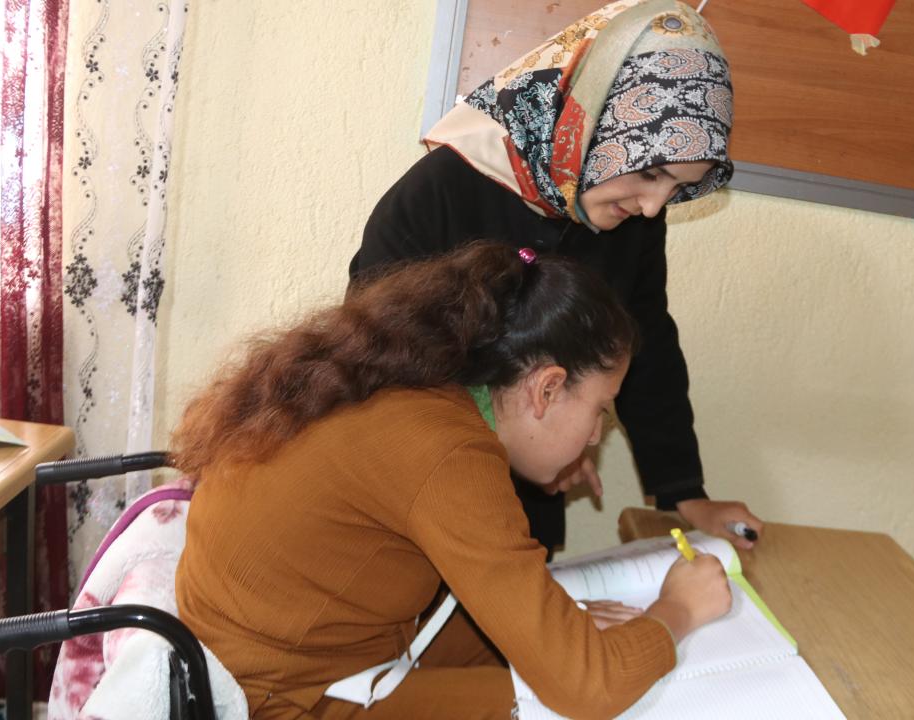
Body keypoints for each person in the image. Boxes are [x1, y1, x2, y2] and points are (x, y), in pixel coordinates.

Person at [172, 243, 732, 719]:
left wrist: (561, 631)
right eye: (600, 411)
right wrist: (677, 612)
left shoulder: (429, 387)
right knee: (569, 704)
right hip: (277, 695)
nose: (593, 438)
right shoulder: (449, 454)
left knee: (555, 656)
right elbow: (587, 688)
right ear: (546, 389)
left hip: (286, 644)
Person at [351, 0, 763, 556]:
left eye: (676, 189)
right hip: (416, 501)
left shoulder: (631, 216)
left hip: (526, 509)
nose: (651, 206)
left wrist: (683, 492)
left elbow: (645, 341)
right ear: (591, 121)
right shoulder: (442, 191)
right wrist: (529, 444)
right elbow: (377, 367)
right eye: (650, 172)